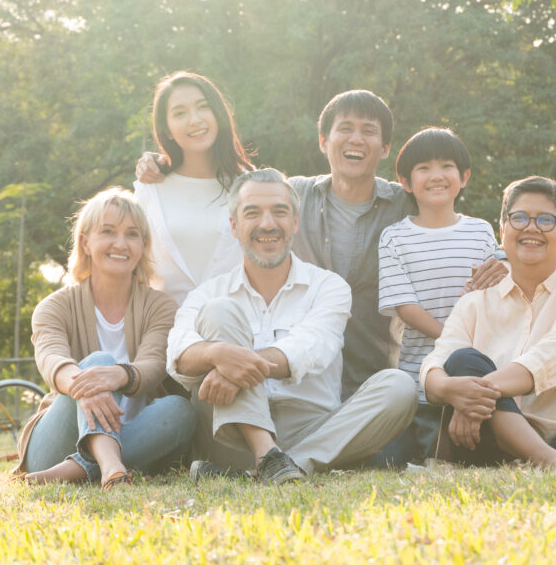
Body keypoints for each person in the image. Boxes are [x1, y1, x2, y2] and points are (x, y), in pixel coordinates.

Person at [139, 89, 506, 398]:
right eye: (344, 129)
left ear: (384, 148)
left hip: (373, 373)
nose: (356, 139)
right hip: (297, 377)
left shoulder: (404, 205)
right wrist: (166, 165)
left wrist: (502, 257)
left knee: (383, 449)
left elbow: (455, 223)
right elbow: (240, 189)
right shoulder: (294, 194)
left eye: (369, 131)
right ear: (323, 142)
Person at [166, 168, 417, 483]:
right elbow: (177, 356)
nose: (267, 224)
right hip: (229, 437)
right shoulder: (208, 293)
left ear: (295, 222)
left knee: (399, 387)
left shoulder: (328, 286)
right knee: (220, 312)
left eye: (279, 212)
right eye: (253, 213)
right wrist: (217, 352)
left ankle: (264, 470)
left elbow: (312, 347)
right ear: (234, 226)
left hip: (310, 432)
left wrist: (235, 365)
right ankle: (265, 456)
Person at [421, 176, 556, 468]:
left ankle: (520, 455)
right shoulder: (475, 302)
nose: (531, 227)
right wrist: (450, 391)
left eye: (546, 220)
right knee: (464, 358)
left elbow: (551, 359)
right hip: (487, 431)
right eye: (519, 218)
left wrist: (473, 395)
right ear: (502, 231)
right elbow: (435, 365)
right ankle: (546, 459)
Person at [15, 187, 196, 487]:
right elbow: (51, 360)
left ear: (143, 245)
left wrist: (118, 375)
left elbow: (154, 364)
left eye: (132, 234)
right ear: (85, 243)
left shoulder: (161, 306)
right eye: (108, 231)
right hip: (55, 446)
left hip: (137, 434)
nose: (120, 244)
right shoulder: (54, 307)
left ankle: (78, 470)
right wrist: (92, 382)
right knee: (97, 362)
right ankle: (110, 465)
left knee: (181, 409)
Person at [375, 127, 503, 465]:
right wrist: (453, 335)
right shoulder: (394, 238)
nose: (436, 176)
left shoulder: (480, 231)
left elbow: (499, 283)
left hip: (475, 372)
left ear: (464, 178)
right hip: (419, 381)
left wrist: (498, 277)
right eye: (423, 168)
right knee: (406, 456)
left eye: (447, 166)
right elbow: (405, 306)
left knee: (472, 450)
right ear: (405, 181)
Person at [134, 71, 254, 305]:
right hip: (166, 331)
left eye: (203, 107)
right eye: (180, 113)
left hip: (238, 330)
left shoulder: (249, 186)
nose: (195, 119)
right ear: (166, 128)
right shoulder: (150, 190)